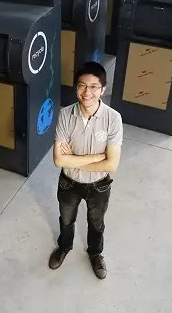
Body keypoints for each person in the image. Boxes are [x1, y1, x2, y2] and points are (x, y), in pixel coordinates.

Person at [48, 61, 123, 279]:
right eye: (81, 86)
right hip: (69, 182)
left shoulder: (113, 119)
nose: (87, 92)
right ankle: (64, 247)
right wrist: (98, 156)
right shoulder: (65, 114)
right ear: (75, 87)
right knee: (66, 220)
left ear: (103, 89)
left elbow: (112, 165)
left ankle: (95, 253)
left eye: (93, 87)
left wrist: (73, 159)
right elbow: (58, 161)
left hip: (99, 185)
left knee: (96, 223)